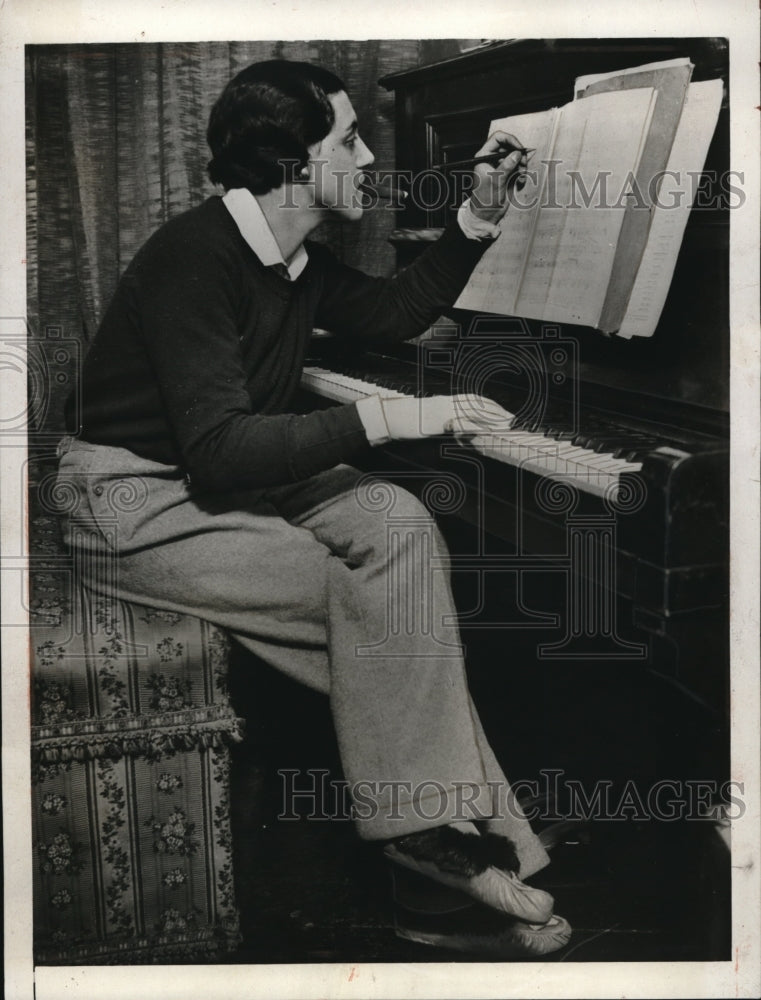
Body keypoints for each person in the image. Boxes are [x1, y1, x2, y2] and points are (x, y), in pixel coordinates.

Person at [57, 58, 571, 957]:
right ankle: (447, 857)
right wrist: (398, 414)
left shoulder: (294, 259)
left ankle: (425, 831)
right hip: (129, 498)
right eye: (348, 138)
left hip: (218, 476)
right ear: (294, 163)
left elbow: (394, 312)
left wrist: (475, 219)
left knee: (397, 523)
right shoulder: (192, 257)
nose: (369, 158)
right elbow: (218, 449)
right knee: (368, 597)